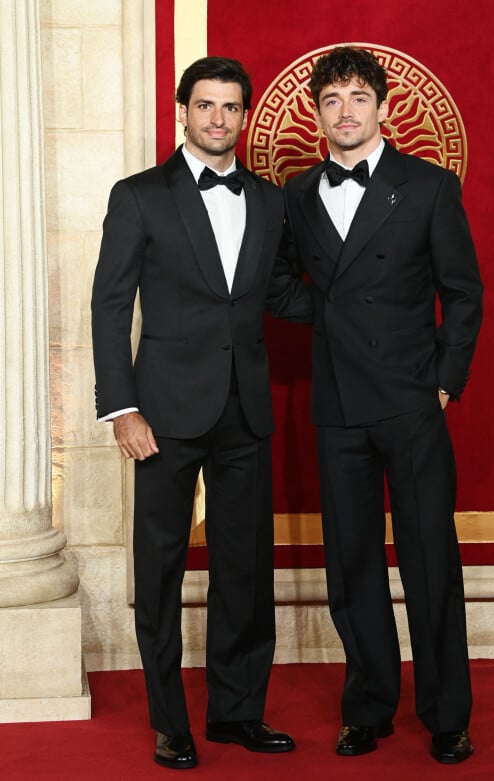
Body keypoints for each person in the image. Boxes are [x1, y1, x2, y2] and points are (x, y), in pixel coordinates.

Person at [91, 56, 312, 770]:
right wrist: (121, 407)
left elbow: (279, 293)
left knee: (244, 568)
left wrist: (370, 312)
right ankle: (170, 722)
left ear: (246, 117)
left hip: (244, 408)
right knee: (159, 568)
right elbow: (110, 305)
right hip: (159, 411)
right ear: (182, 112)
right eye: (205, 105)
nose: (218, 118)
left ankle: (237, 710)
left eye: (230, 107)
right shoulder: (139, 196)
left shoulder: (272, 199)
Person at [282, 46, 483, 764]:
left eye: (358, 98)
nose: (345, 111)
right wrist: (332, 316)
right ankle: (367, 705)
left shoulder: (427, 185)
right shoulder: (298, 194)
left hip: (410, 401)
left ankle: (446, 713)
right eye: (331, 99)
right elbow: (282, 283)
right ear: (316, 112)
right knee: (353, 562)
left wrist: (442, 380)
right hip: (337, 404)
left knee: (431, 559)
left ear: (384, 106)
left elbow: (463, 292)